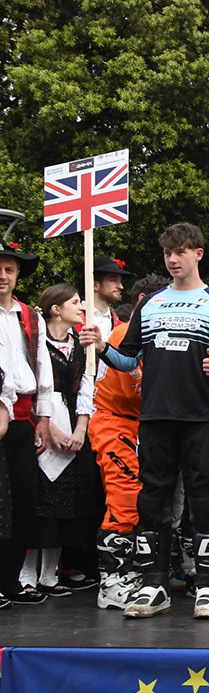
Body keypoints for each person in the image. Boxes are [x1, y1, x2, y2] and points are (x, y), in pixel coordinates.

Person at [81, 223, 209, 619]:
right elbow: (127, 360)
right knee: (152, 499)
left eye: (181, 252)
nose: (173, 259)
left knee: (204, 497)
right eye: (167, 253)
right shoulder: (150, 303)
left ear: (198, 254)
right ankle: (154, 583)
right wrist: (102, 346)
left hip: (201, 417)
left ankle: (207, 586)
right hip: (155, 416)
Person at [20, 284, 101, 597]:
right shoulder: (37, 344)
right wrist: (50, 428)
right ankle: (26, 575)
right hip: (44, 423)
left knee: (66, 507)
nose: (81, 307)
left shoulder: (80, 347)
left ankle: (50, 575)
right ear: (56, 308)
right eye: (75, 302)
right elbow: (36, 387)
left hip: (74, 425)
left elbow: (86, 388)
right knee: (39, 506)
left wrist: (81, 429)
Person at [92, 274, 167, 610]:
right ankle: (111, 582)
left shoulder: (154, 337)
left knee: (140, 500)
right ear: (142, 302)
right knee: (123, 498)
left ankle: (128, 572)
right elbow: (136, 390)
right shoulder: (126, 335)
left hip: (137, 426)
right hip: (114, 423)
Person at [0, 242, 54, 606]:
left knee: (23, 501)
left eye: (9, 270)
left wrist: (44, 416)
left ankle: (10, 582)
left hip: (21, 420)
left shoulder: (28, 316)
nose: (2, 276)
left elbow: (43, 368)